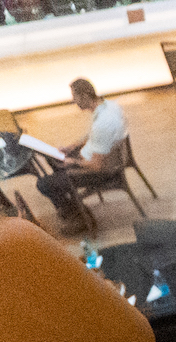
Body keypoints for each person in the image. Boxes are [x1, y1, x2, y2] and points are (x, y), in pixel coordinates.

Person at [35, 78, 127, 233]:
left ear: (84, 96)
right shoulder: (109, 107)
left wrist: (73, 162)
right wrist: (72, 147)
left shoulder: (102, 125)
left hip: (102, 171)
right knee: (54, 160)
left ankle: (80, 218)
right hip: (100, 157)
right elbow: (93, 136)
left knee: (44, 184)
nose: (74, 101)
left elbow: (97, 166)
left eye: (75, 96)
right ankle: (72, 206)